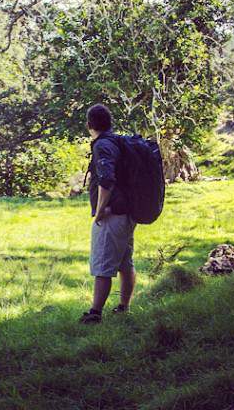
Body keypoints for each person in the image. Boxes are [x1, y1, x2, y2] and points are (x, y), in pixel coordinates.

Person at [80, 103, 136, 324]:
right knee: (124, 262)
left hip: (113, 214)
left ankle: (95, 313)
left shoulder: (102, 145)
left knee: (103, 265)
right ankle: (123, 307)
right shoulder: (117, 141)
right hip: (127, 212)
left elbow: (106, 180)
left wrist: (101, 210)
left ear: (89, 125)